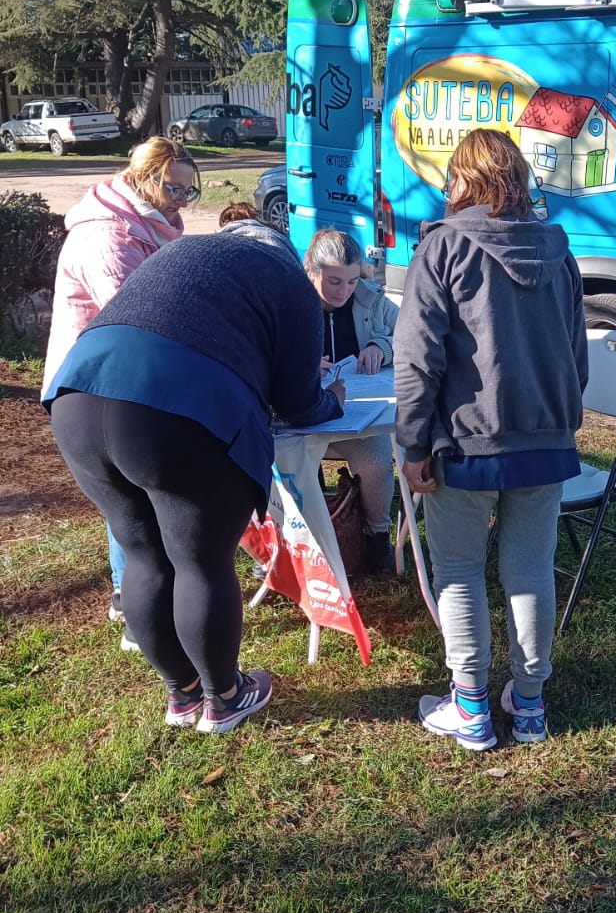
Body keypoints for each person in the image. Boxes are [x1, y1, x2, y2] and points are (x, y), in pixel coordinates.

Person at [44, 221, 344, 734]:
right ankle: (223, 699)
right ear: (287, 254)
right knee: (200, 562)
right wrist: (331, 399)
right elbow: (299, 402)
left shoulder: (183, 252)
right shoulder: (288, 278)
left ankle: (181, 693)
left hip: (77, 397)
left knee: (143, 554)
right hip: (176, 406)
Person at [393, 129, 588, 751]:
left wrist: (413, 444)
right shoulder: (559, 252)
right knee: (530, 570)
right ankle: (528, 706)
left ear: (462, 179)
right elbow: (576, 355)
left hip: (467, 442)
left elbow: (416, 359)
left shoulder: (443, 247)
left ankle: (471, 708)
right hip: (545, 440)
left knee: (459, 571)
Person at [42, 136, 201, 641]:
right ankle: (132, 604)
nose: (181, 202)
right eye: (174, 189)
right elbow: (140, 317)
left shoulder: (151, 223)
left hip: (134, 377)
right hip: (95, 386)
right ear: (144, 179)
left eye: (189, 192)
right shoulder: (106, 235)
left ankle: (142, 598)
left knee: (143, 497)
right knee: (131, 503)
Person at [304, 229, 400, 574]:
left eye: (351, 281)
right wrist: (300, 364)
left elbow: (411, 333)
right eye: (333, 281)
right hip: (302, 416)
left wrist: (380, 347)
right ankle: (304, 542)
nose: (343, 291)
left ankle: (376, 537)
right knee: (292, 460)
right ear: (311, 272)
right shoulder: (290, 301)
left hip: (357, 413)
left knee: (376, 459)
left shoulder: (370, 299)